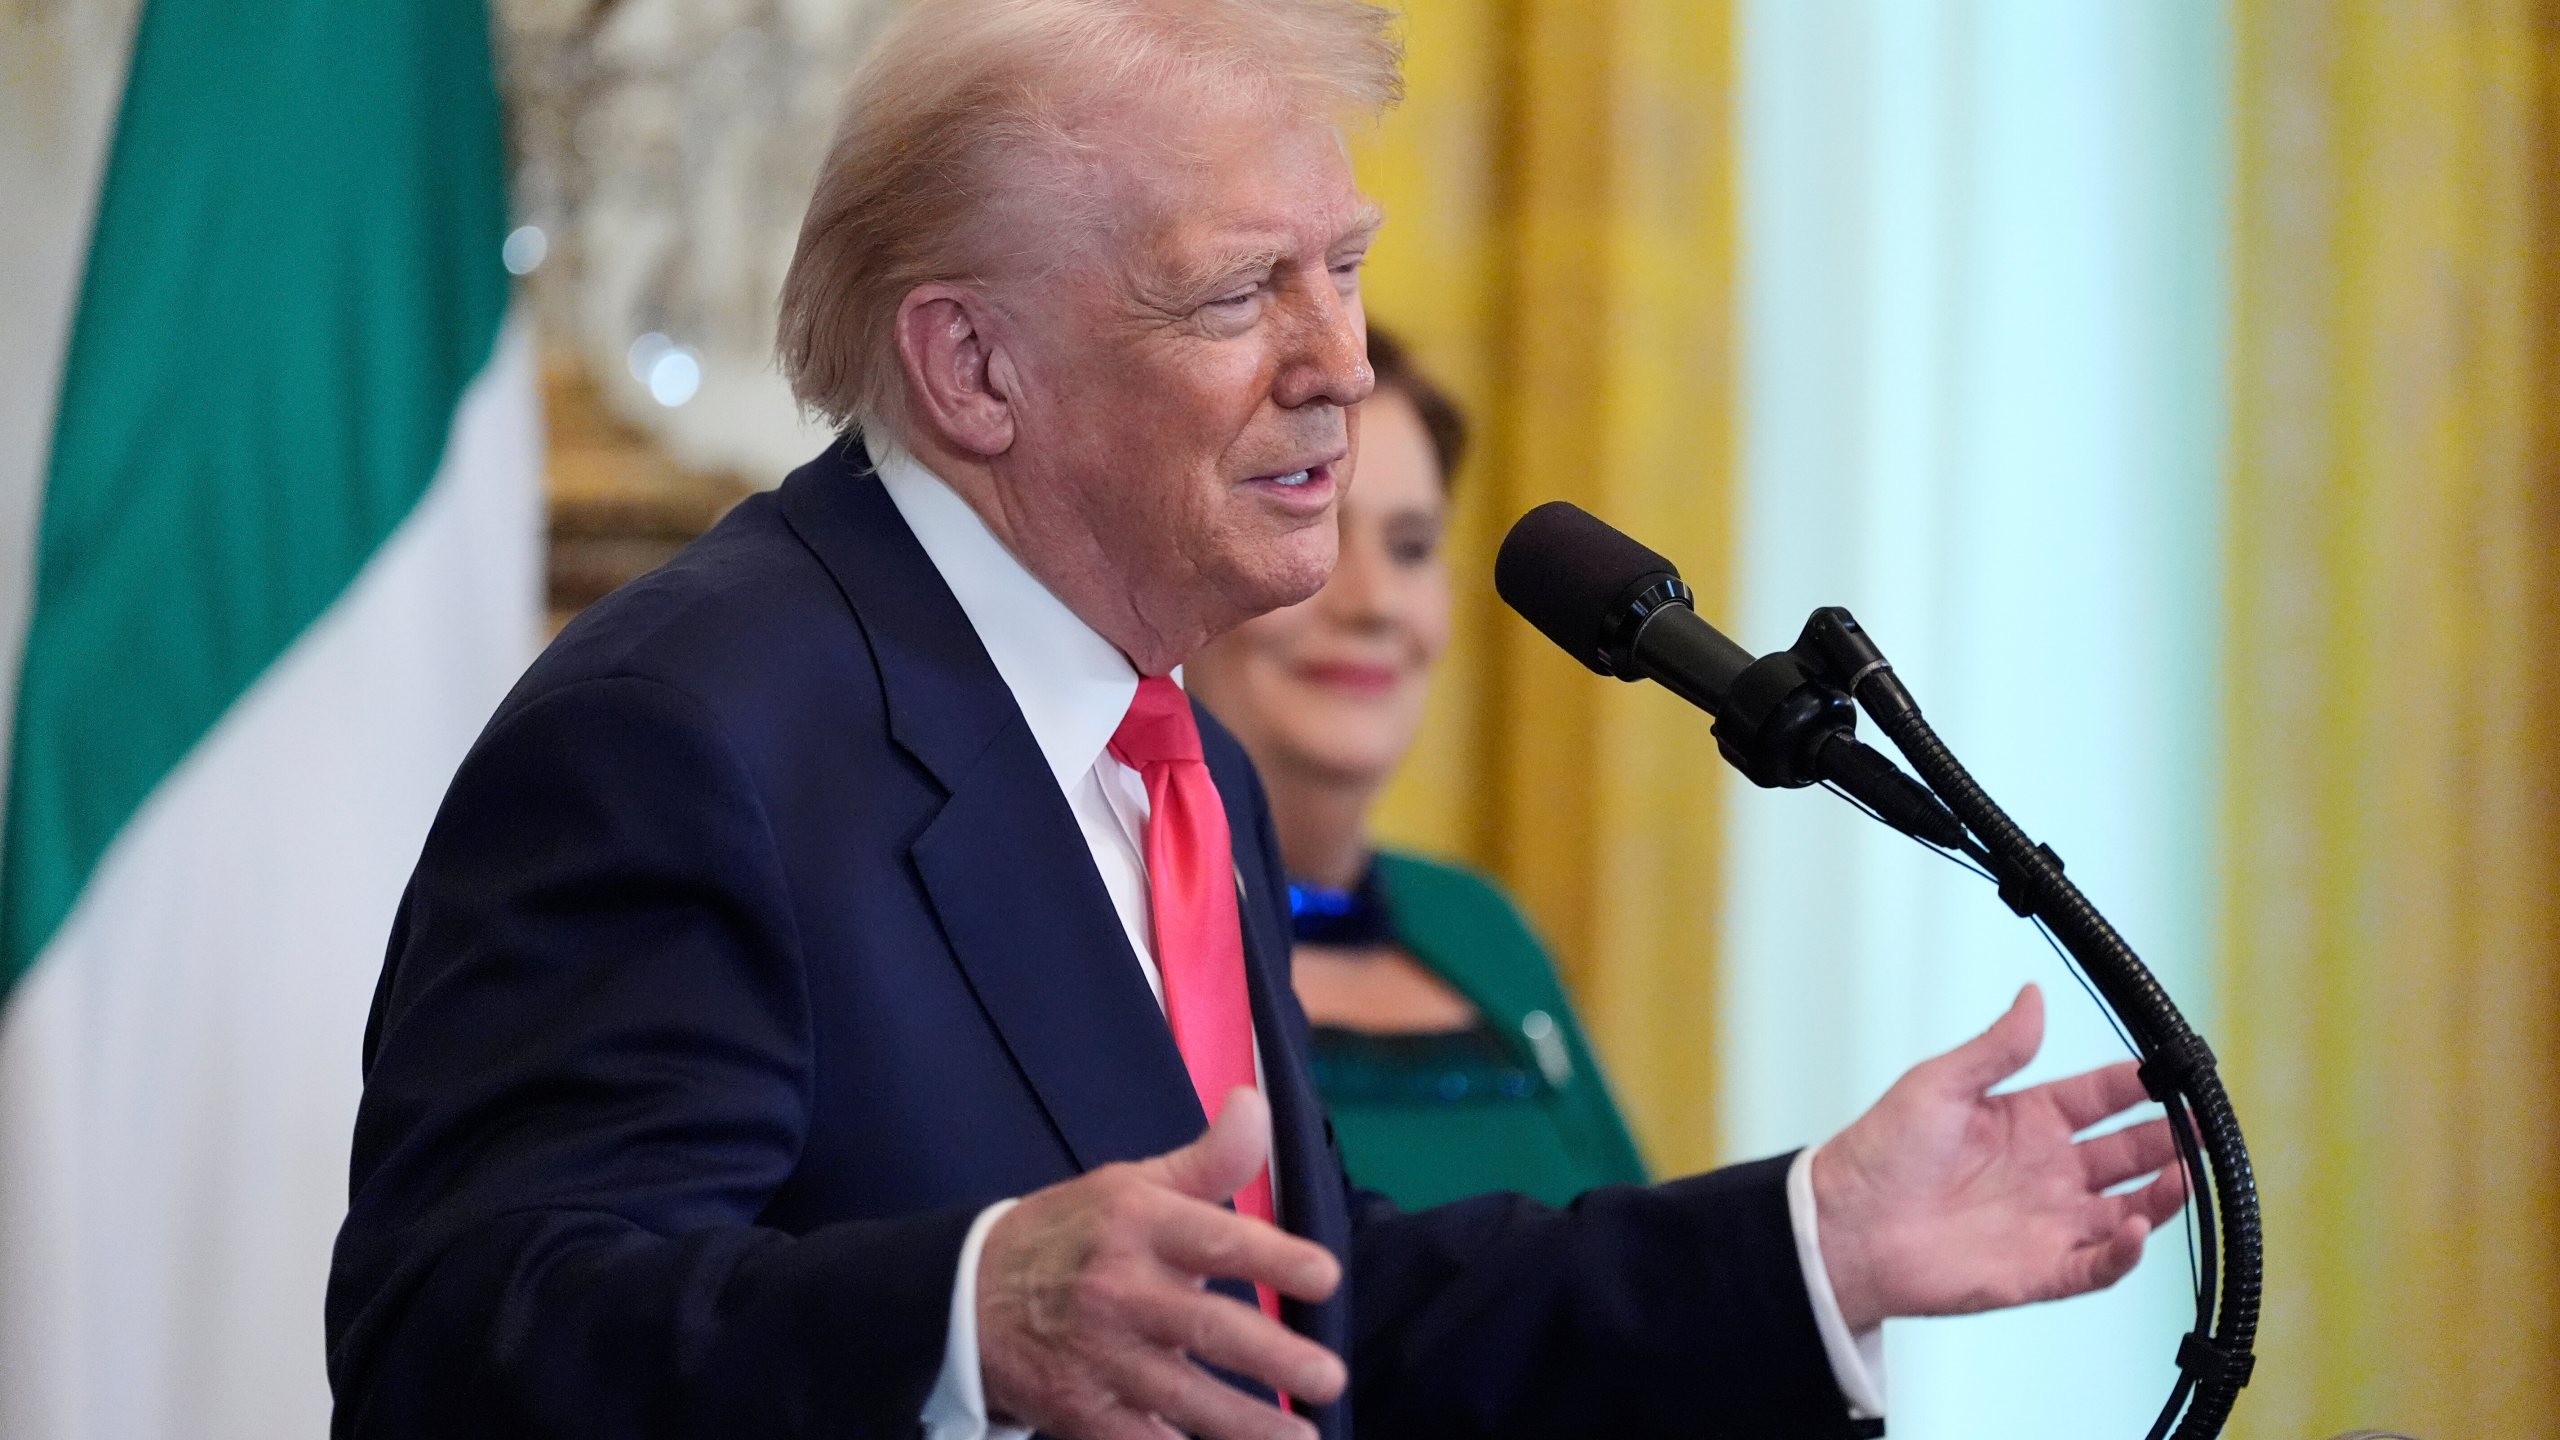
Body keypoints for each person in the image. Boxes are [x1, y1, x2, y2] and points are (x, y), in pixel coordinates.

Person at [325, 3, 2187, 1438]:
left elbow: (1310, 1322)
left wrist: (1816, 1246)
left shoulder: (1170, 748)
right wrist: (967, 1321)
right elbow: (455, 1345)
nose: (1343, 363)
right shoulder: (692, 734)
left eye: (1346, 266)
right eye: (1242, 291)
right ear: (974, 366)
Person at [1186, 330, 1646, 1210]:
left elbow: (1646, 1276)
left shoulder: (1479, 928)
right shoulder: (1118, 937)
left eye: (1410, 548)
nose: (1374, 603)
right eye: (1310, 531)